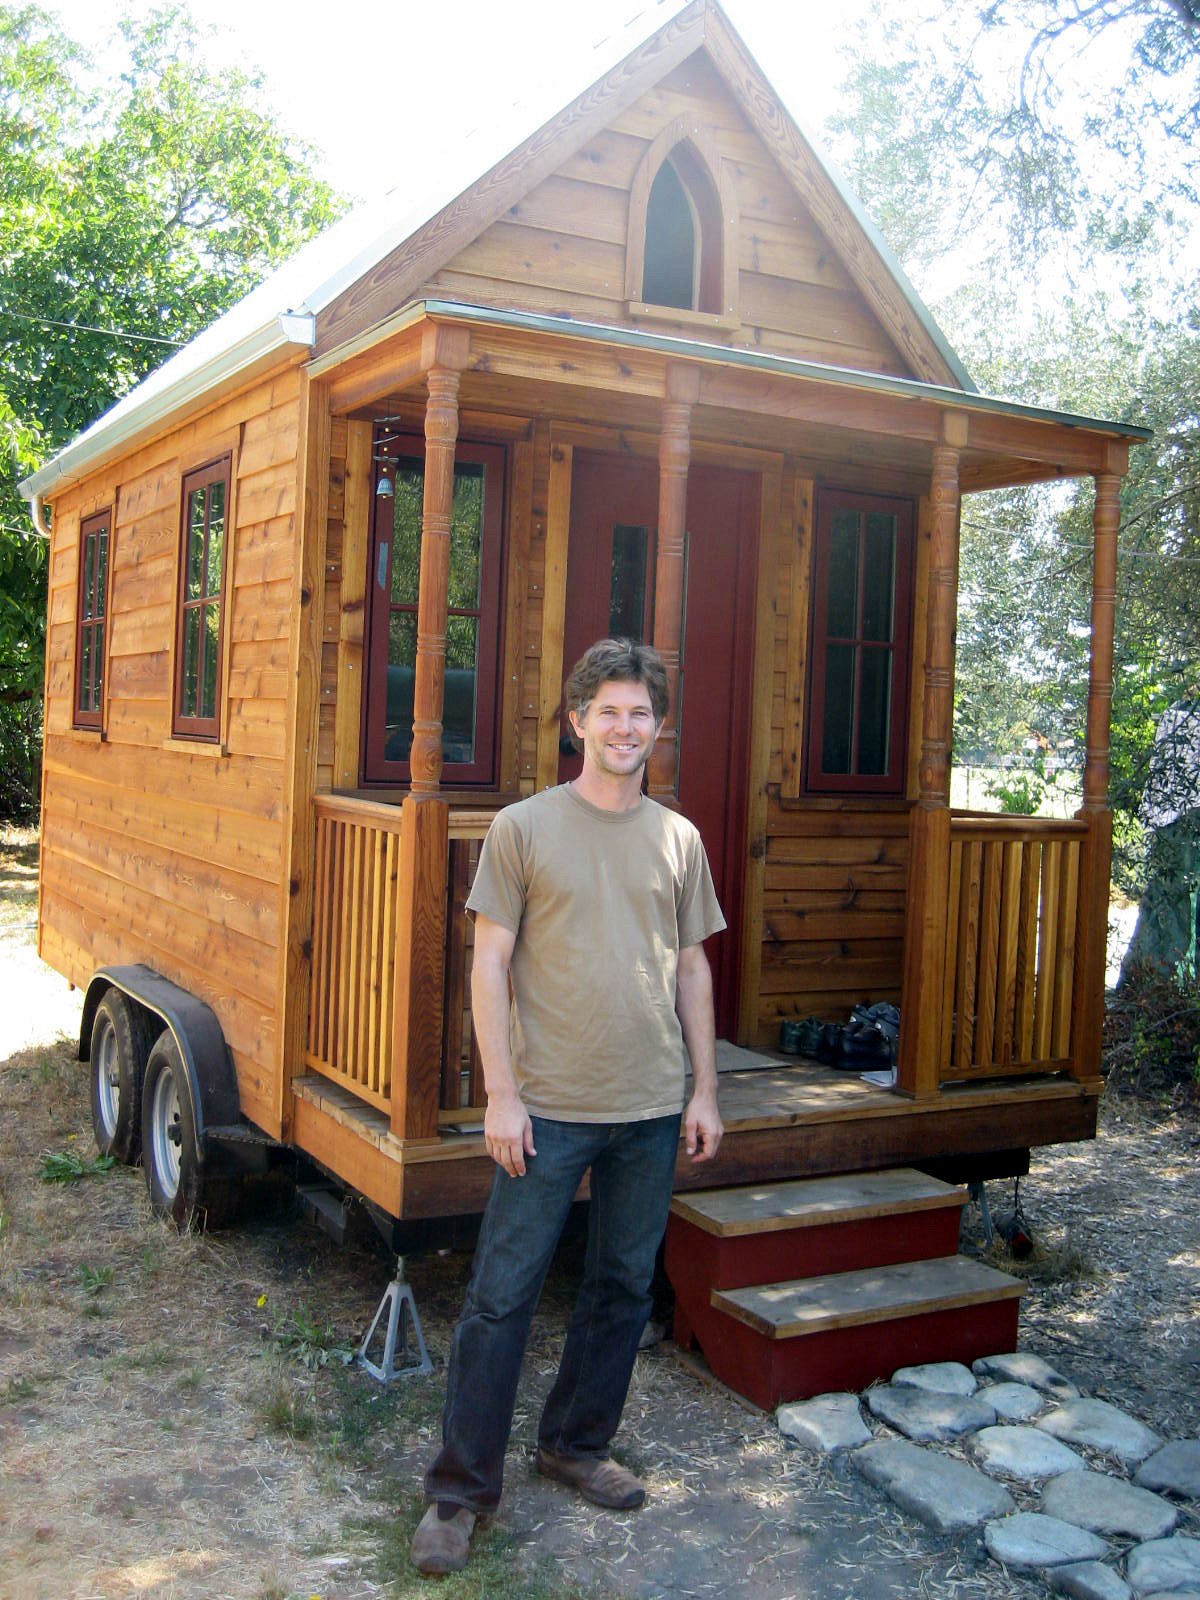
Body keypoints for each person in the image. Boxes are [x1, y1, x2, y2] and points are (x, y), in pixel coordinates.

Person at [410, 637, 726, 1576]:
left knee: (623, 1289)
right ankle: (459, 1492)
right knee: (499, 1299)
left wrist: (703, 1088)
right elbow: (490, 964)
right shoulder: (524, 828)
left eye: (642, 714)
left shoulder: (679, 838)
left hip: (648, 1108)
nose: (627, 728)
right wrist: (500, 1096)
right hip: (545, 1109)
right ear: (576, 722)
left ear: (657, 729)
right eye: (610, 711)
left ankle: (575, 1446)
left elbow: (692, 967)